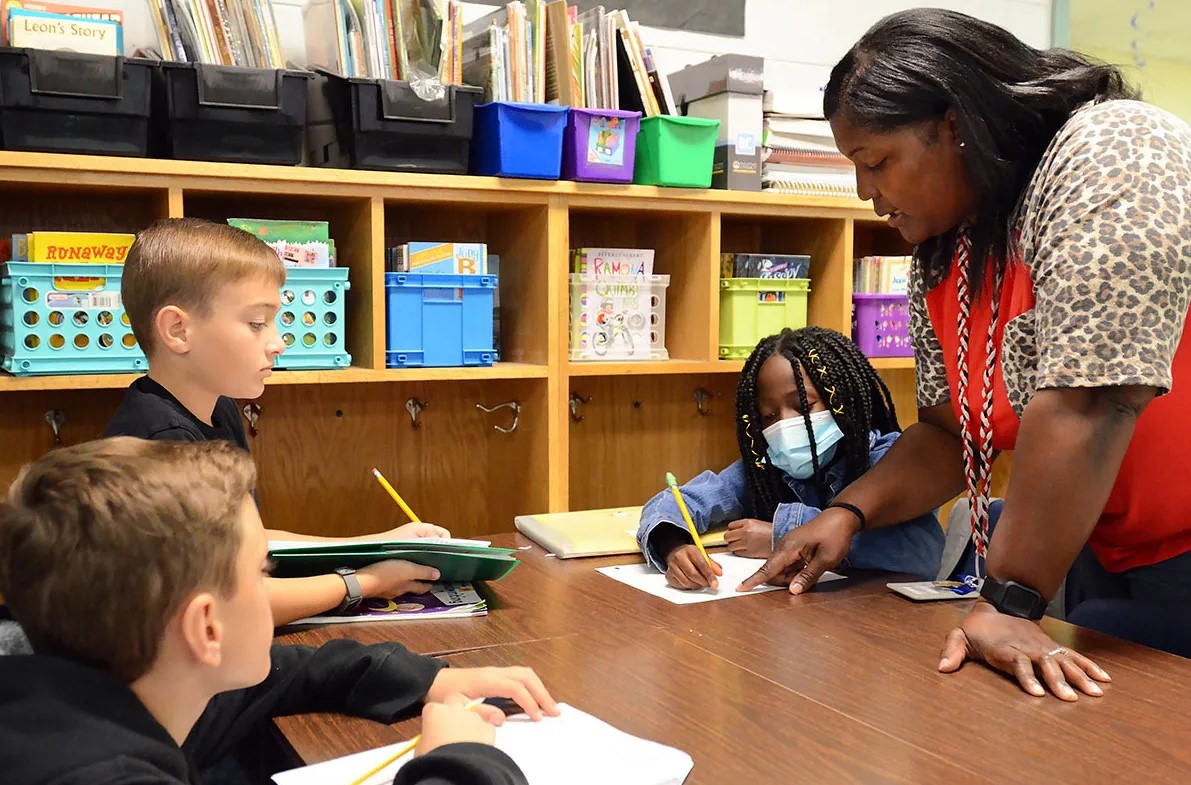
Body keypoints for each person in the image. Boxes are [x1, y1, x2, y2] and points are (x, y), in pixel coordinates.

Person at [743, 8, 1191, 700]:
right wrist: (848, 512)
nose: (865, 193)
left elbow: (1093, 398)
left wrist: (1008, 601)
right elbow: (950, 432)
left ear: (955, 125)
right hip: (1105, 547)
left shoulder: (1113, 153)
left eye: (876, 163)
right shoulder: (947, 249)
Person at [0, 437, 558, 785]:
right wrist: (460, 760)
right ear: (206, 628)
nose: (269, 583)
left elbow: (280, 675)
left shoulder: (116, 692)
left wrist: (429, 679)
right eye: (262, 571)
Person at [104, 218, 449, 624]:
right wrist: (365, 582)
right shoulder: (162, 443)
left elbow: (245, 542)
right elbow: (227, 605)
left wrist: (378, 544)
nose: (278, 342)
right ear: (178, 330)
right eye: (256, 323)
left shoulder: (219, 409)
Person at [637, 326, 943, 589]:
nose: (784, 425)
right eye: (769, 416)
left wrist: (783, 535)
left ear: (842, 401)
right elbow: (677, 501)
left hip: (881, 619)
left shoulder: (889, 462)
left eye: (803, 406)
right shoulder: (765, 470)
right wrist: (672, 544)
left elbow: (921, 551)